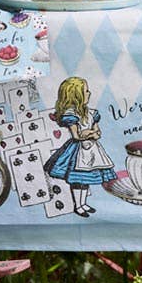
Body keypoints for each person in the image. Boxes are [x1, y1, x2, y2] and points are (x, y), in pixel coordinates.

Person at [44, 76, 116, 217]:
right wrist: (90, 133)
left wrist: (94, 134)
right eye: (86, 91)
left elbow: (97, 131)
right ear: (76, 95)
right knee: (78, 180)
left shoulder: (91, 113)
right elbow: (76, 136)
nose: (89, 94)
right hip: (77, 152)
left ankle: (83, 204)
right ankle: (78, 205)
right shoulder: (71, 114)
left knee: (85, 180)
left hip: (92, 150)